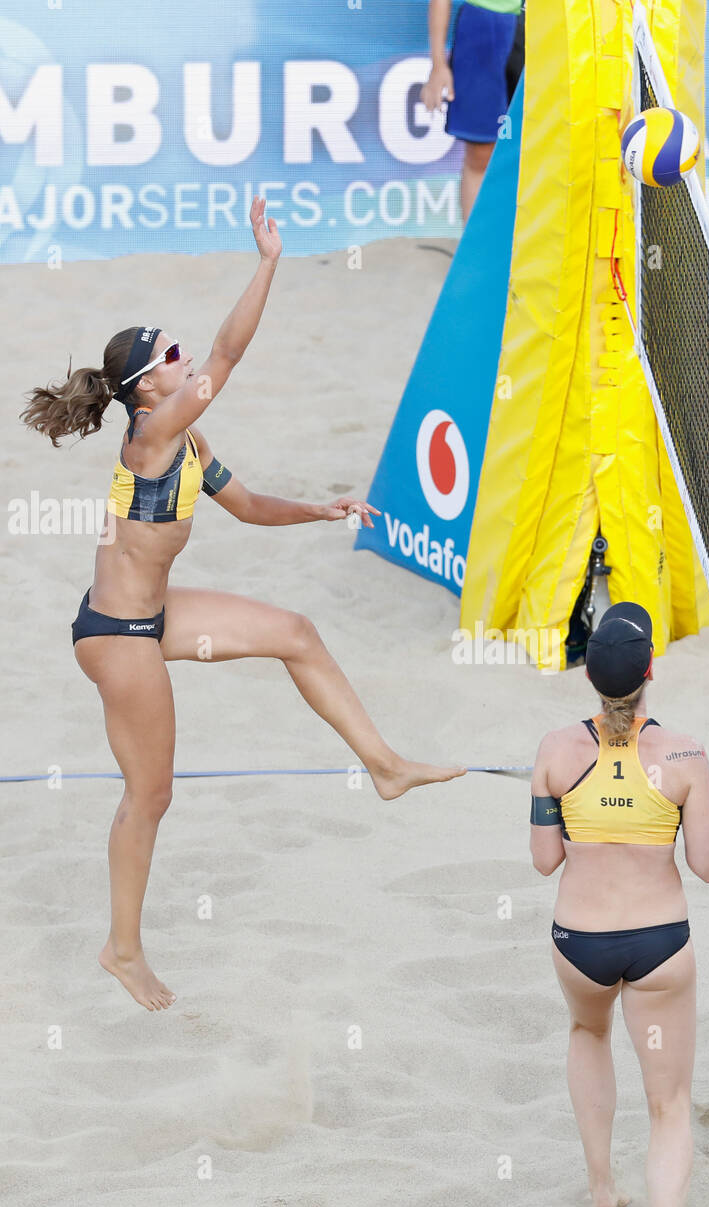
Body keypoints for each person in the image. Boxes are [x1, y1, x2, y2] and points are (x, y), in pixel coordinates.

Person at [21, 198, 465, 1014]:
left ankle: (386, 766)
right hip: (115, 634)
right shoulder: (149, 437)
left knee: (297, 632)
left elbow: (251, 506)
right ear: (143, 387)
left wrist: (323, 511)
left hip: (153, 615)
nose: (186, 360)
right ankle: (121, 950)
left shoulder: (187, 443)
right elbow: (229, 351)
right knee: (150, 795)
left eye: (180, 350)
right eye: (171, 356)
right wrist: (267, 262)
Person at [529, 603, 709, 1207]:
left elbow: (544, 861)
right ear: (649, 674)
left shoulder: (553, 749)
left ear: (588, 674)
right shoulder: (685, 753)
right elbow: (707, 866)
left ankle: (602, 1187)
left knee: (587, 1031)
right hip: (659, 945)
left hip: (579, 942)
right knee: (669, 1105)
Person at [421, 0, 524, 224]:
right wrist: (438, 65)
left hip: (551, 28)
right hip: (484, 30)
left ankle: (530, 249)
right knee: (481, 152)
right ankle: (475, 251)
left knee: (544, 148)